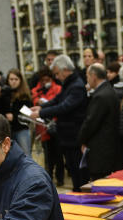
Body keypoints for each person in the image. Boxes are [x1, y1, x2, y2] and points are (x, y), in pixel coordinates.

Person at [33, 55, 88, 188]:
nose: (56, 77)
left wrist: (41, 113)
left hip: (74, 134)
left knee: (78, 171)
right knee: (73, 168)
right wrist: (41, 107)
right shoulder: (69, 83)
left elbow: (65, 107)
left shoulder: (76, 86)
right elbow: (58, 99)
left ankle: (81, 196)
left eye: (57, 73)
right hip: (67, 134)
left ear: (65, 70)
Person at [78, 63, 120, 181]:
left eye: (87, 76)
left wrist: (82, 140)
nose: (87, 80)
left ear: (93, 76)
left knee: (99, 183)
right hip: (109, 147)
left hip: (101, 149)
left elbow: (91, 122)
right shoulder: (108, 90)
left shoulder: (100, 96)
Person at [31, 68, 65, 186]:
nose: (45, 82)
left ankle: (60, 178)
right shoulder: (37, 90)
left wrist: (45, 103)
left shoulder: (58, 89)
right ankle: (49, 177)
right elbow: (35, 99)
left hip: (56, 124)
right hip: (43, 127)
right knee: (48, 155)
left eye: (47, 79)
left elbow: (58, 103)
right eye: (43, 80)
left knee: (59, 154)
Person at [0, 68, 33, 155]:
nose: (13, 82)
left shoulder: (25, 95)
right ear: (7, 80)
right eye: (11, 79)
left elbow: (27, 115)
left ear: (20, 80)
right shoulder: (4, 93)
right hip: (7, 131)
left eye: (16, 79)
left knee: (25, 155)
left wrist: (14, 116)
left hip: (21, 129)